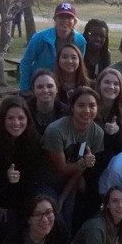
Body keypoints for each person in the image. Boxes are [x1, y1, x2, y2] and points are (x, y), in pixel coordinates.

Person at [0, 96, 46, 244]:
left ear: (28, 119)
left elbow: (34, 179)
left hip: (19, 198)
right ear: (2, 119)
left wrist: (8, 202)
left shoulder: (33, 141)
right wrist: (3, 185)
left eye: (21, 118)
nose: (16, 123)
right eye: (11, 118)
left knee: (15, 227)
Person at [42, 86, 104, 230]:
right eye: (81, 105)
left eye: (92, 106)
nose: (87, 111)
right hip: (46, 181)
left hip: (69, 182)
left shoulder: (97, 133)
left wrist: (64, 197)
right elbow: (61, 168)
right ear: (72, 107)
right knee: (54, 219)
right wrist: (83, 163)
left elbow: (80, 170)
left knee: (67, 218)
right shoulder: (55, 131)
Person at [18, 2, 86, 91]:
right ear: (55, 19)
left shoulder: (80, 41)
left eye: (69, 17)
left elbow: (78, 66)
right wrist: (25, 89)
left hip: (66, 87)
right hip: (41, 86)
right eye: (61, 17)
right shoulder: (40, 38)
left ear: (74, 21)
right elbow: (26, 62)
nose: (65, 20)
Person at [94, 68, 122, 162]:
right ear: (99, 84)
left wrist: (118, 132)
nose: (111, 87)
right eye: (107, 82)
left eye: (116, 84)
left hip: (116, 163)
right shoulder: (91, 107)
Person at [26, 70, 69, 136]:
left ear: (57, 89)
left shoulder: (67, 113)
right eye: (40, 87)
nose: (45, 90)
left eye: (50, 86)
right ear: (33, 90)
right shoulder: (24, 110)